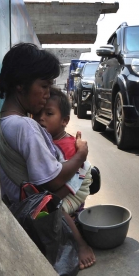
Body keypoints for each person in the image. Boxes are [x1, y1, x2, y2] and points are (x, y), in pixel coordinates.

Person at [0, 43, 95, 269]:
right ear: (20, 85)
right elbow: (52, 182)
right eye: (44, 85)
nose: (48, 94)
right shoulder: (25, 127)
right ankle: (79, 243)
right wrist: (81, 155)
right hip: (36, 217)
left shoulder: (2, 121)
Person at [33, 87, 93, 216]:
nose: (41, 118)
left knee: (56, 211)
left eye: (49, 114)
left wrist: (50, 200)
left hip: (70, 195)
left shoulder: (68, 146)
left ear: (64, 121)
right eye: (38, 113)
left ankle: (77, 237)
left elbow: (73, 179)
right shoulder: (43, 141)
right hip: (57, 191)